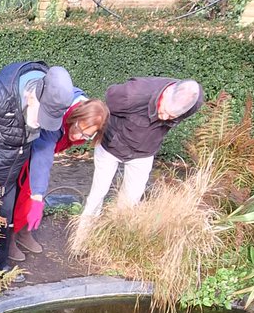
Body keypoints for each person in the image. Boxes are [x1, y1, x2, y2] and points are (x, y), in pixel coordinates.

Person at [0, 63, 76, 270]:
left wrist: (37, 195)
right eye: (41, 116)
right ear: (31, 97)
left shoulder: (49, 98)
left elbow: (44, 150)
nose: (40, 124)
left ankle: (1, 267)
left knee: (5, 219)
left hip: (11, 174)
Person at [80, 77, 203, 219]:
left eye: (171, 116)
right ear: (167, 92)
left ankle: (117, 235)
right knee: (98, 192)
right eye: (163, 111)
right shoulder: (132, 94)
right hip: (111, 145)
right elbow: (107, 102)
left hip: (144, 153)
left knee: (130, 202)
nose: (164, 117)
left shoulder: (193, 101)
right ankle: (84, 231)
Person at [9, 96, 110, 261]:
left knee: (33, 191)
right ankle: (10, 237)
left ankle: (24, 231)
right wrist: (37, 195)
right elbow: (42, 156)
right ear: (75, 117)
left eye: (87, 135)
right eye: (79, 129)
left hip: (40, 155)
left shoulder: (87, 108)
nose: (79, 136)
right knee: (21, 193)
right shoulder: (55, 118)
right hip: (24, 151)